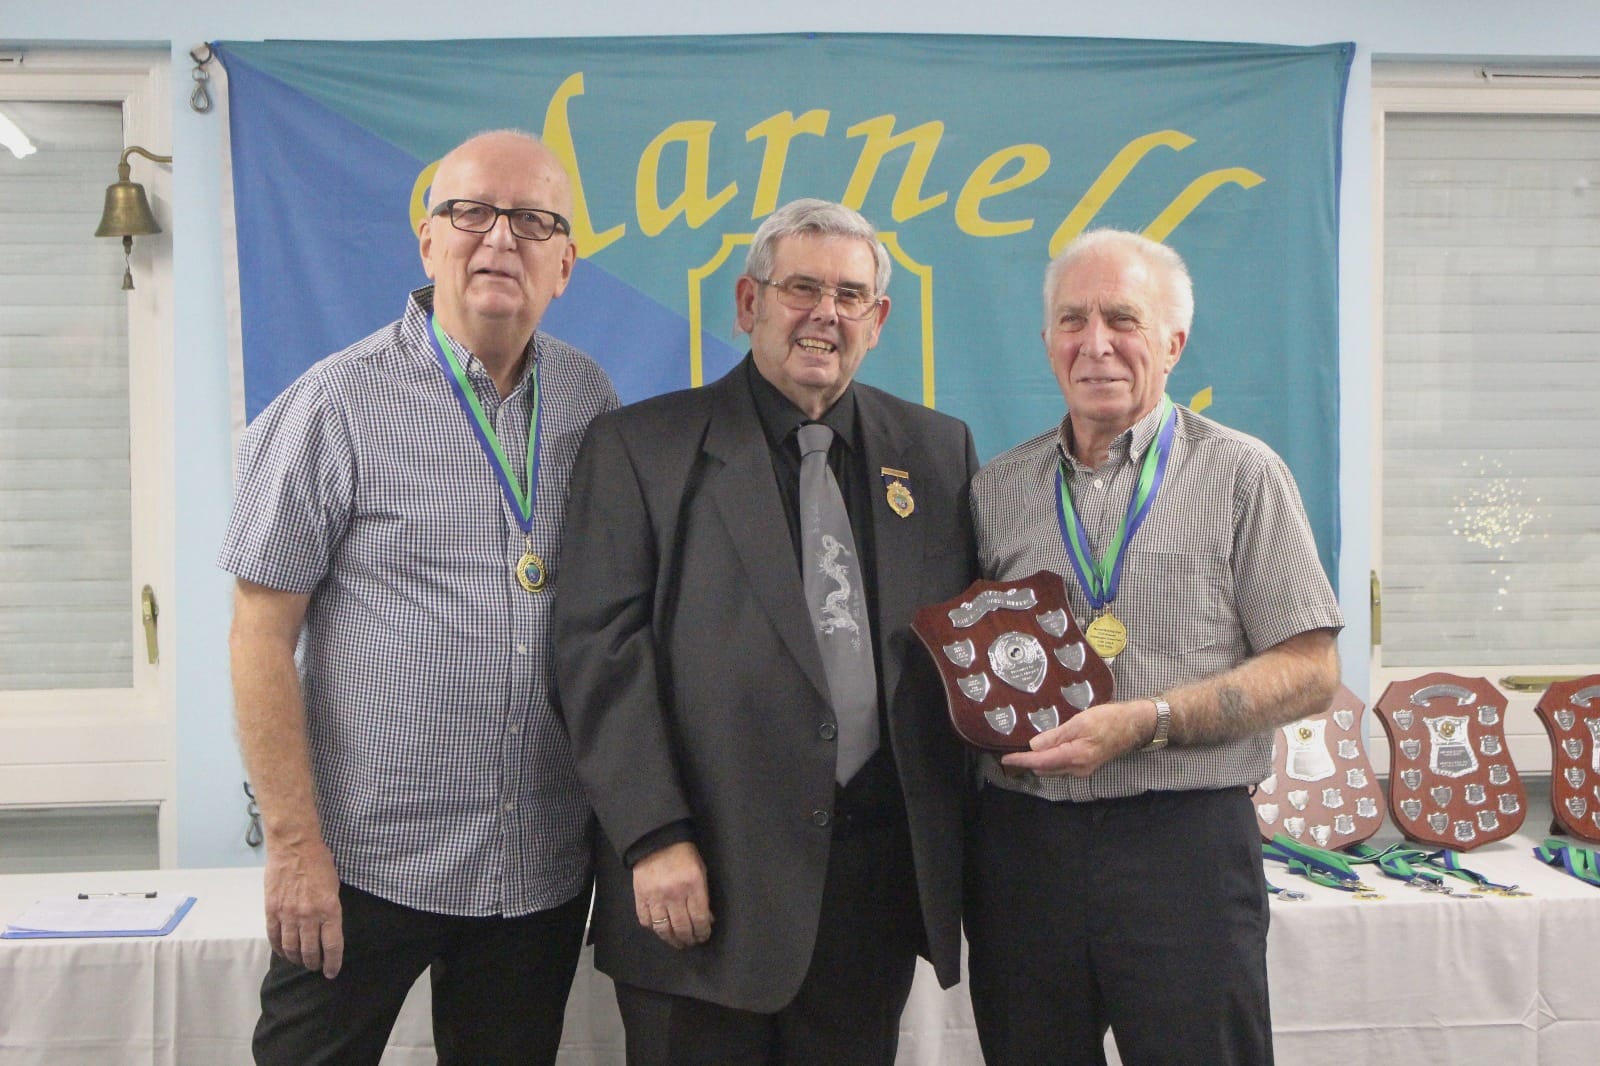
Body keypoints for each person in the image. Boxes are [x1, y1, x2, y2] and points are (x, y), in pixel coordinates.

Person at [218, 130, 618, 1065]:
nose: (500, 239)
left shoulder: (589, 399)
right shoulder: (333, 405)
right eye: (471, 213)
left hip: (535, 866)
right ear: (428, 240)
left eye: (533, 222)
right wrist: (294, 846)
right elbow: (258, 636)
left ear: (565, 265)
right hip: (361, 862)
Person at [553, 198, 978, 1065]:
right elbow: (597, 657)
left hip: (868, 902)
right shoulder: (641, 447)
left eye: (850, 296)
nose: (826, 314)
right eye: (801, 288)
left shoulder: (937, 453)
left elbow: (963, 645)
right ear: (750, 304)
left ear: (878, 320)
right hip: (700, 886)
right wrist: (653, 835)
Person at [965, 228, 1343, 1065]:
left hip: (1184, 848)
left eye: (1123, 319)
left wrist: (1150, 720)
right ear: (1047, 342)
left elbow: (1312, 671)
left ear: (1173, 342)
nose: (1095, 343)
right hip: (1024, 851)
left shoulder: (1243, 475)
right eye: (1073, 320)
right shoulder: (995, 490)